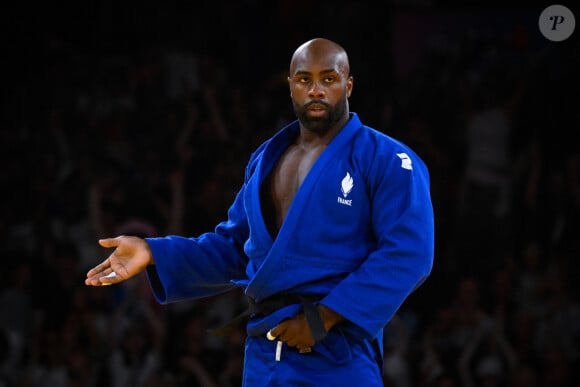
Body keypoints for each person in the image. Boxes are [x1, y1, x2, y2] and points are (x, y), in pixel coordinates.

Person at [85, 37, 435, 386]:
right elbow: (236, 248)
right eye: (304, 79)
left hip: (337, 352)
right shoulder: (266, 158)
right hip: (265, 355)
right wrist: (152, 252)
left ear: (349, 84)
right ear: (290, 85)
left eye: (328, 79)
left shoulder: (386, 158)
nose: (315, 90)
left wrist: (325, 318)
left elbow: (410, 252)